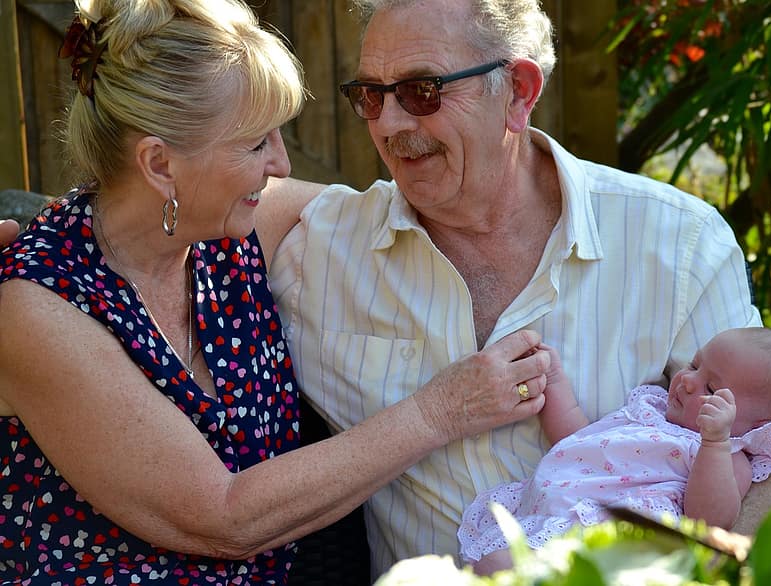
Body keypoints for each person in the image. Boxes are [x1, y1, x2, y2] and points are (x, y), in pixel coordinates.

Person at [261, 0, 771, 577]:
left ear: (518, 92)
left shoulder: (679, 245)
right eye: (371, 95)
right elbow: (195, 189)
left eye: (421, 91)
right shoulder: (323, 249)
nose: (388, 124)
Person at [0, 0, 553, 582]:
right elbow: (222, 517)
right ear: (160, 164)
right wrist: (442, 410)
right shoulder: (36, 308)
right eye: (255, 143)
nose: (282, 163)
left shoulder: (234, 228)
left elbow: (426, 211)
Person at [458, 327, 771, 575]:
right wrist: (553, 380)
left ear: (755, 429)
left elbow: (711, 518)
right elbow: (578, 437)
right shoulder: (650, 408)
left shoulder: (725, 454)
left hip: (604, 534)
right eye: (695, 365)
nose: (686, 380)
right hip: (552, 508)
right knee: (490, 564)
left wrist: (715, 441)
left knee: (498, 567)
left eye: (711, 389)